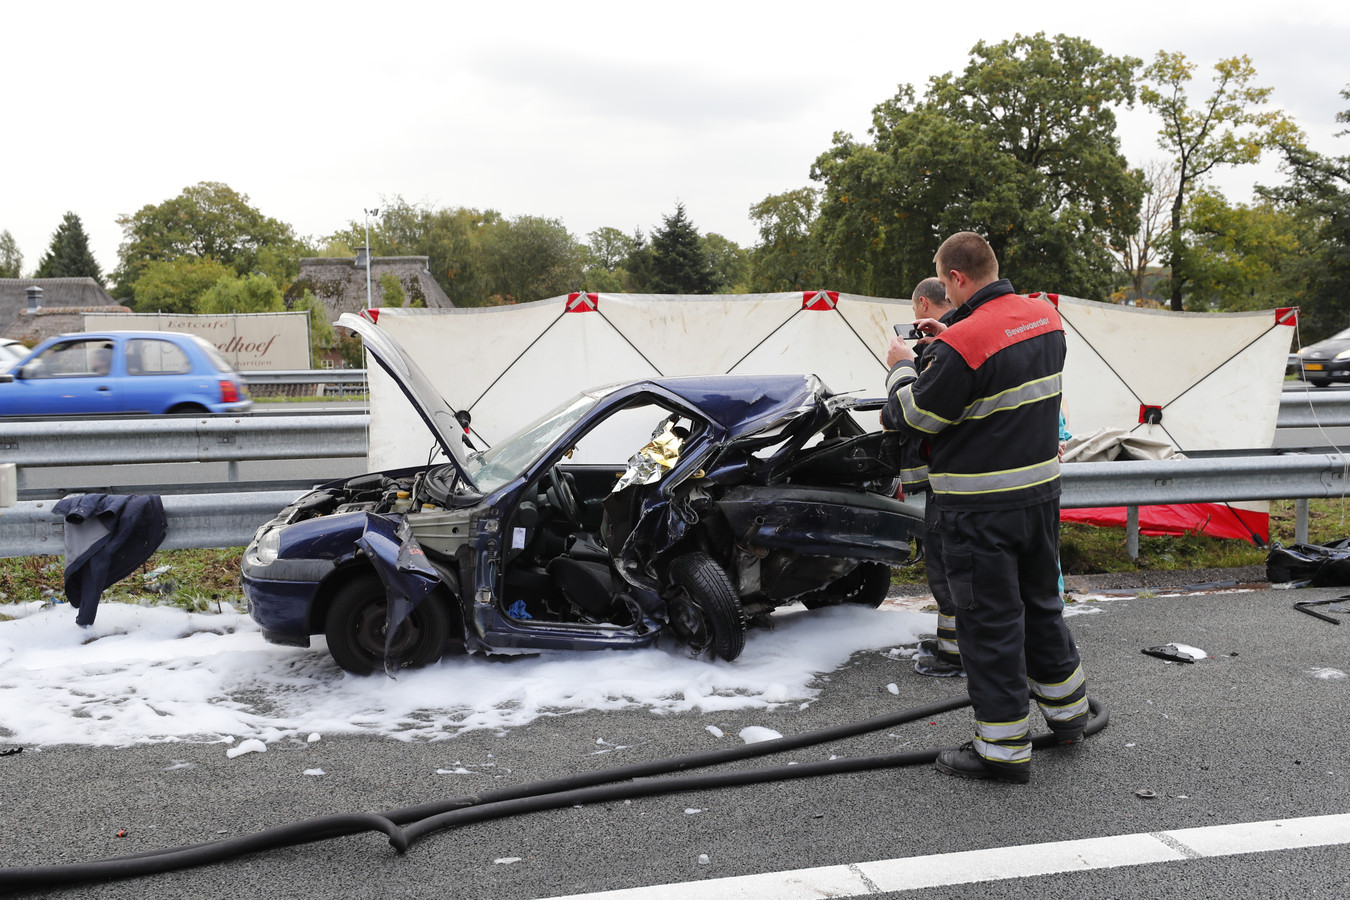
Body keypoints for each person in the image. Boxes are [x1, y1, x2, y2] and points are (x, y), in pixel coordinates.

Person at [884, 232, 1087, 784]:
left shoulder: (963, 345)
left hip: (979, 510)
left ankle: (1002, 752)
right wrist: (950, 337)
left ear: (956, 278)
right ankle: (1070, 716)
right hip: (1039, 498)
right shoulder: (1044, 318)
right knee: (1041, 607)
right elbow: (1000, 368)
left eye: (943, 279)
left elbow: (915, 417)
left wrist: (903, 367)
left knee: (990, 626)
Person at [884, 277, 962, 677]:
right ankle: (955, 645)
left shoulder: (948, 350)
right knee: (956, 570)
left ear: (923, 304)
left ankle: (955, 655)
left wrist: (901, 366)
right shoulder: (964, 338)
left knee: (947, 570)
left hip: (947, 483)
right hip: (961, 483)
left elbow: (911, 413)